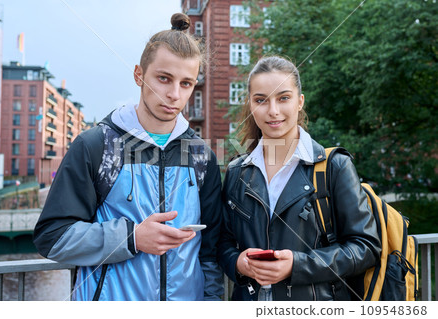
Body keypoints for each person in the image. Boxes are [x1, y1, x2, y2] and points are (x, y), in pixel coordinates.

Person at [33, 13, 223, 301]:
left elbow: (209, 255)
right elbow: (53, 236)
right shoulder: (96, 145)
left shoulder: (201, 156)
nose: (174, 94)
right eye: (163, 78)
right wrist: (132, 238)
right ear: (138, 75)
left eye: (186, 83)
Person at [218, 56, 381, 301]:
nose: (273, 111)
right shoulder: (236, 171)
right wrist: (239, 263)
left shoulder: (333, 166)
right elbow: (223, 244)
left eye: (283, 98)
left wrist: (297, 265)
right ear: (250, 105)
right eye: (261, 100)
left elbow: (366, 247)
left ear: (299, 102)